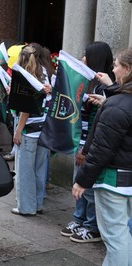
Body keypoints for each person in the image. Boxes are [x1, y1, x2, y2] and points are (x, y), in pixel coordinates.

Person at [72, 48, 132, 266]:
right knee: (124, 234)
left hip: (113, 182)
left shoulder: (117, 106)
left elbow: (101, 149)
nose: (112, 70)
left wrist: (82, 181)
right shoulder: (116, 102)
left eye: (116, 65)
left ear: (127, 69)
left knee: (116, 237)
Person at [61, 41, 114, 243]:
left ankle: (91, 226)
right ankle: (79, 219)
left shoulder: (104, 87)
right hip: (83, 143)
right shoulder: (91, 81)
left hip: (90, 145)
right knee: (79, 185)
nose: (83, 58)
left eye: (86, 55)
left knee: (89, 188)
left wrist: (85, 147)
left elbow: (95, 122)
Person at [11, 43, 53, 216]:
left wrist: (18, 131)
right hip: (44, 129)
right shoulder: (45, 74)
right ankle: (37, 203)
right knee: (40, 169)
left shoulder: (25, 77)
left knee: (25, 171)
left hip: (29, 130)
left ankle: (26, 207)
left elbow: (25, 109)